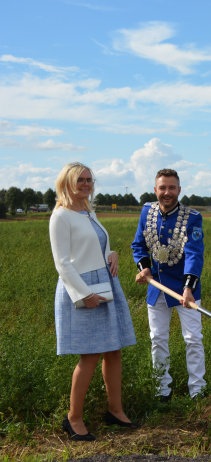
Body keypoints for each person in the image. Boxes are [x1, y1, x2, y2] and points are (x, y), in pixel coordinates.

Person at [49, 162, 138, 441]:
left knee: (113, 350)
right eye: (80, 180)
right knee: (89, 354)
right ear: (66, 183)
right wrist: (84, 294)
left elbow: (96, 245)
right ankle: (73, 417)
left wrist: (111, 254)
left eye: (89, 180)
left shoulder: (88, 210)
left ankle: (115, 410)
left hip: (105, 284)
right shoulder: (60, 216)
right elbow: (62, 264)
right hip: (83, 289)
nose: (86, 184)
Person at [132, 169, 206, 400]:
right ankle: (161, 390)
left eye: (172, 188)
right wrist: (144, 268)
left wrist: (188, 288)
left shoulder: (192, 217)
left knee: (193, 339)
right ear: (155, 190)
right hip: (157, 287)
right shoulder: (147, 211)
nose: (167, 192)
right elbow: (139, 245)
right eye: (162, 188)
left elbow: (194, 254)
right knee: (158, 339)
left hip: (186, 289)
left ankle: (198, 390)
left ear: (179, 190)